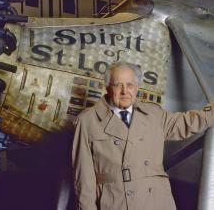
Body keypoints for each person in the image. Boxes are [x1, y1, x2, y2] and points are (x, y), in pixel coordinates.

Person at [72, 62, 214, 210]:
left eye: (130, 85)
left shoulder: (153, 114)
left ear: (137, 87)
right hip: (116, 202)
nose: (125, 91)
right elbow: (83, 181)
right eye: (118, 85)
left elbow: (188, 122)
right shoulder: (87, 121)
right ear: (107, 87)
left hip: (157, 201)